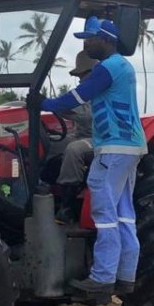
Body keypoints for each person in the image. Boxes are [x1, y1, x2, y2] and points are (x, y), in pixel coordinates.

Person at [29, 14, 145, 298]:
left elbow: (78, 97)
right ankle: (126, 276)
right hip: (129, 145)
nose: (87, 44)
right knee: (123, 213)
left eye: (90, 39)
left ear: (106, 39)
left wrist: (42, 103)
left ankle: (103, 277)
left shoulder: (108, 68)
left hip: (114, 146)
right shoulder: (122, 66)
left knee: (104, 210)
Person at [53, 50, 98, 221]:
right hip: (81, 135)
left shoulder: (103, 92)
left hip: (102, 139)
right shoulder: (80, 92)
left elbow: (88, 117)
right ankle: (43, 190)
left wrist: (65, 109)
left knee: (74, 149)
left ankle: (67, 206)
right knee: (53, 145)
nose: (80, 79)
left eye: (83, 74)